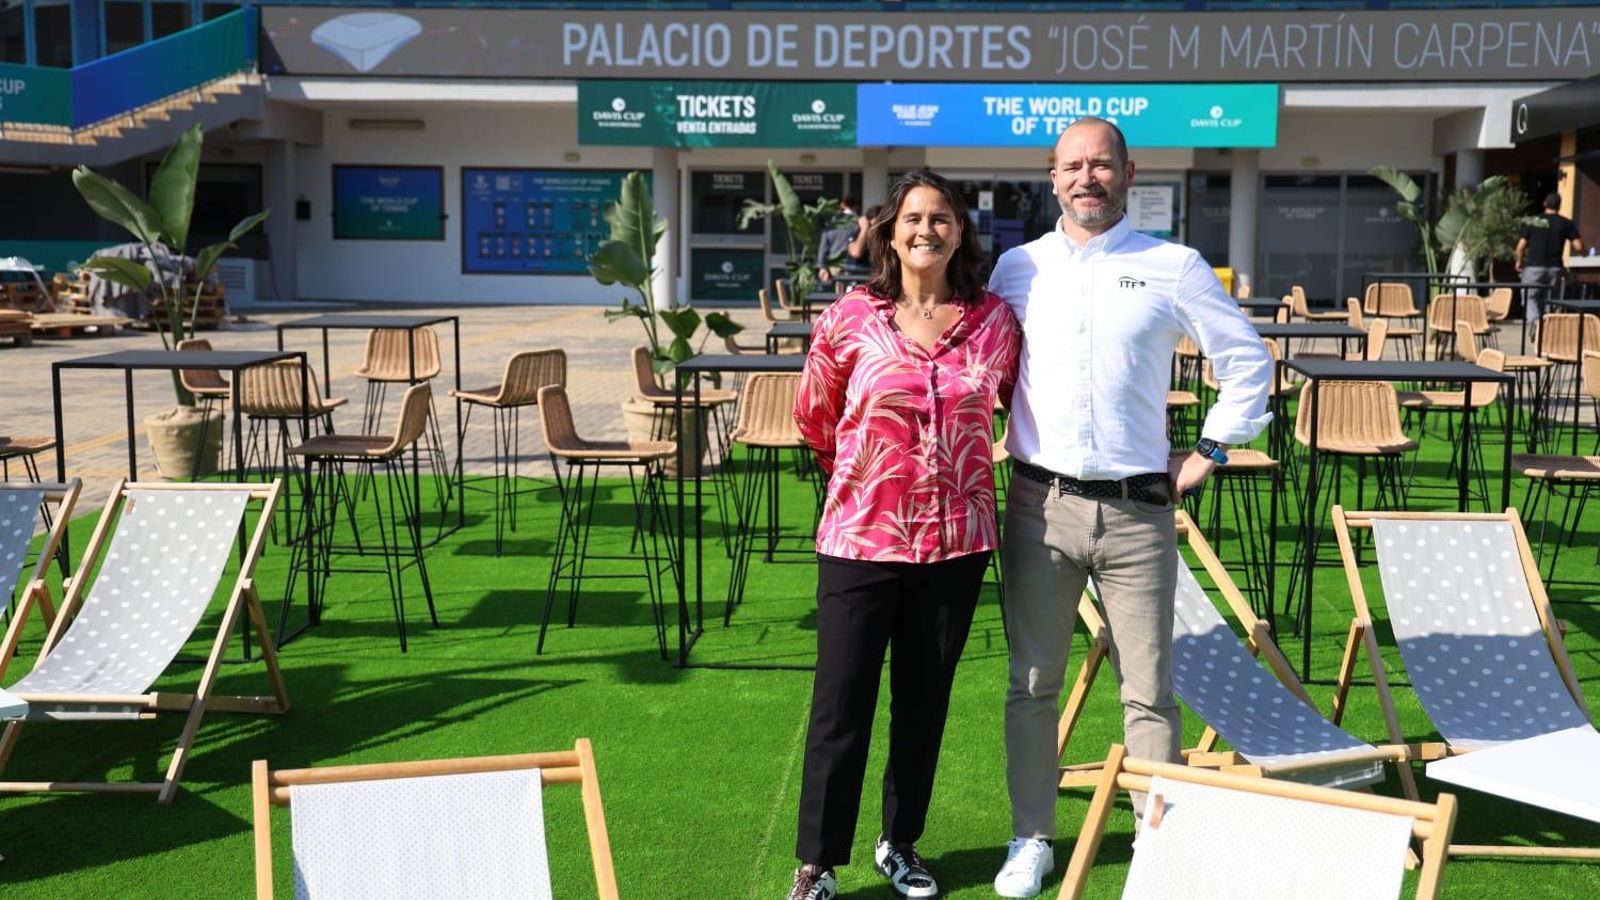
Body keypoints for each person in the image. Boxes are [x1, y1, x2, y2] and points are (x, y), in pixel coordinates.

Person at [984, 117, 1273, 898]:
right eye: (1073, 166)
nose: (1088, 178)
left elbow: (1247, 361)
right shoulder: (1017, 269)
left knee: (1148, 688)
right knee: (1033, 682)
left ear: (1128, 173)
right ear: (1052, 177)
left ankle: (1159, 842)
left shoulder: (1173, 266)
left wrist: (1209, 450)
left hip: (1140, 511)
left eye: (1102, 165)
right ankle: (1031, 837)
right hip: (1039, 506)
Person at [787, 170, 1021, 900]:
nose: (928, 229)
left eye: (942, 217)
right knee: (841, 705)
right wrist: (868, 477)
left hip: (957, 545)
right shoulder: (851, 317)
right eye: (914, 217)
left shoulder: (994, 323)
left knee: (924, 704)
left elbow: (1014, 411)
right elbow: (814, 417)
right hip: (860, 540)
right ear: (890, 233)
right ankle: (819, 864)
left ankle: (900, 842)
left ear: (961, 232)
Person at [1516, 191, 1585, 324]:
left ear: (1544, 204)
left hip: (1533, 267)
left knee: (1531, 297)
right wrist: (1585, 254)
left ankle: (1535, 324)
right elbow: (1578, 246)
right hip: (1555, 268)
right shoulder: (1566, 223)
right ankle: (1548, 328)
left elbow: (1520, 247)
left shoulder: (1534, 221)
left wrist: (1520, 261)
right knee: (1552, 299)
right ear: (1559, 206)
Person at [817, 195, 870, 285]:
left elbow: (823, 249)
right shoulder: (860, 222)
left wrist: (822, 267)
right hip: (853, 268)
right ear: (856, 206)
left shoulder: (831, 224)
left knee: (834, 296)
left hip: (833, 268)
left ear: (842, 205)